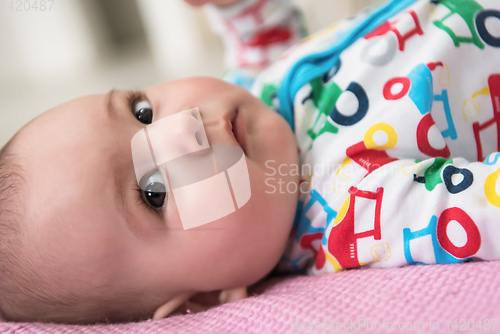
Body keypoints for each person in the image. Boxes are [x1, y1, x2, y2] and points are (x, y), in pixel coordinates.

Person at [0, 0, 499, 324]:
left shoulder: (249, 98)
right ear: (206, 300)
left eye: (142, 111)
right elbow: (481, 206)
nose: (185, 127)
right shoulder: (356, 209)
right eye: (154, 193)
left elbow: (266, 42)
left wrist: (239, 9)